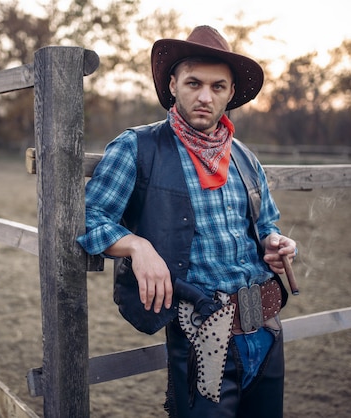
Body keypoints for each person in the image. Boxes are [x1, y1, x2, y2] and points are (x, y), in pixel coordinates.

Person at [77, 25, 297, 418]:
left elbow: (267, 224)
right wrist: (137, 245)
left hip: (266, 327)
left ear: (231, 94)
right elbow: (90, 218)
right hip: (202, 332)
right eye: (194, 83)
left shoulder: (244, 157)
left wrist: (275, 241)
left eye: (218, 86)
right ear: (173, 84)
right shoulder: (137, 146)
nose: (205, 96)